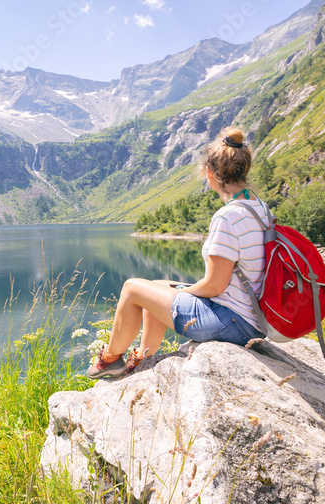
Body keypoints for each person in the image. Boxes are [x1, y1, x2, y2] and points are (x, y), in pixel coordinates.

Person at [87, 127, 269, 379]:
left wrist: (183, 291)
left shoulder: (228, 216)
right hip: (254, 317)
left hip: (233, 322)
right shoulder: (260, 208)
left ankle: (110, 359)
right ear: (243, 169)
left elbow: (215, 285)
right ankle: (143, 360)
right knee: (155, 287)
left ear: (209, 173)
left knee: (131, 287)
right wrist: (173, 291)